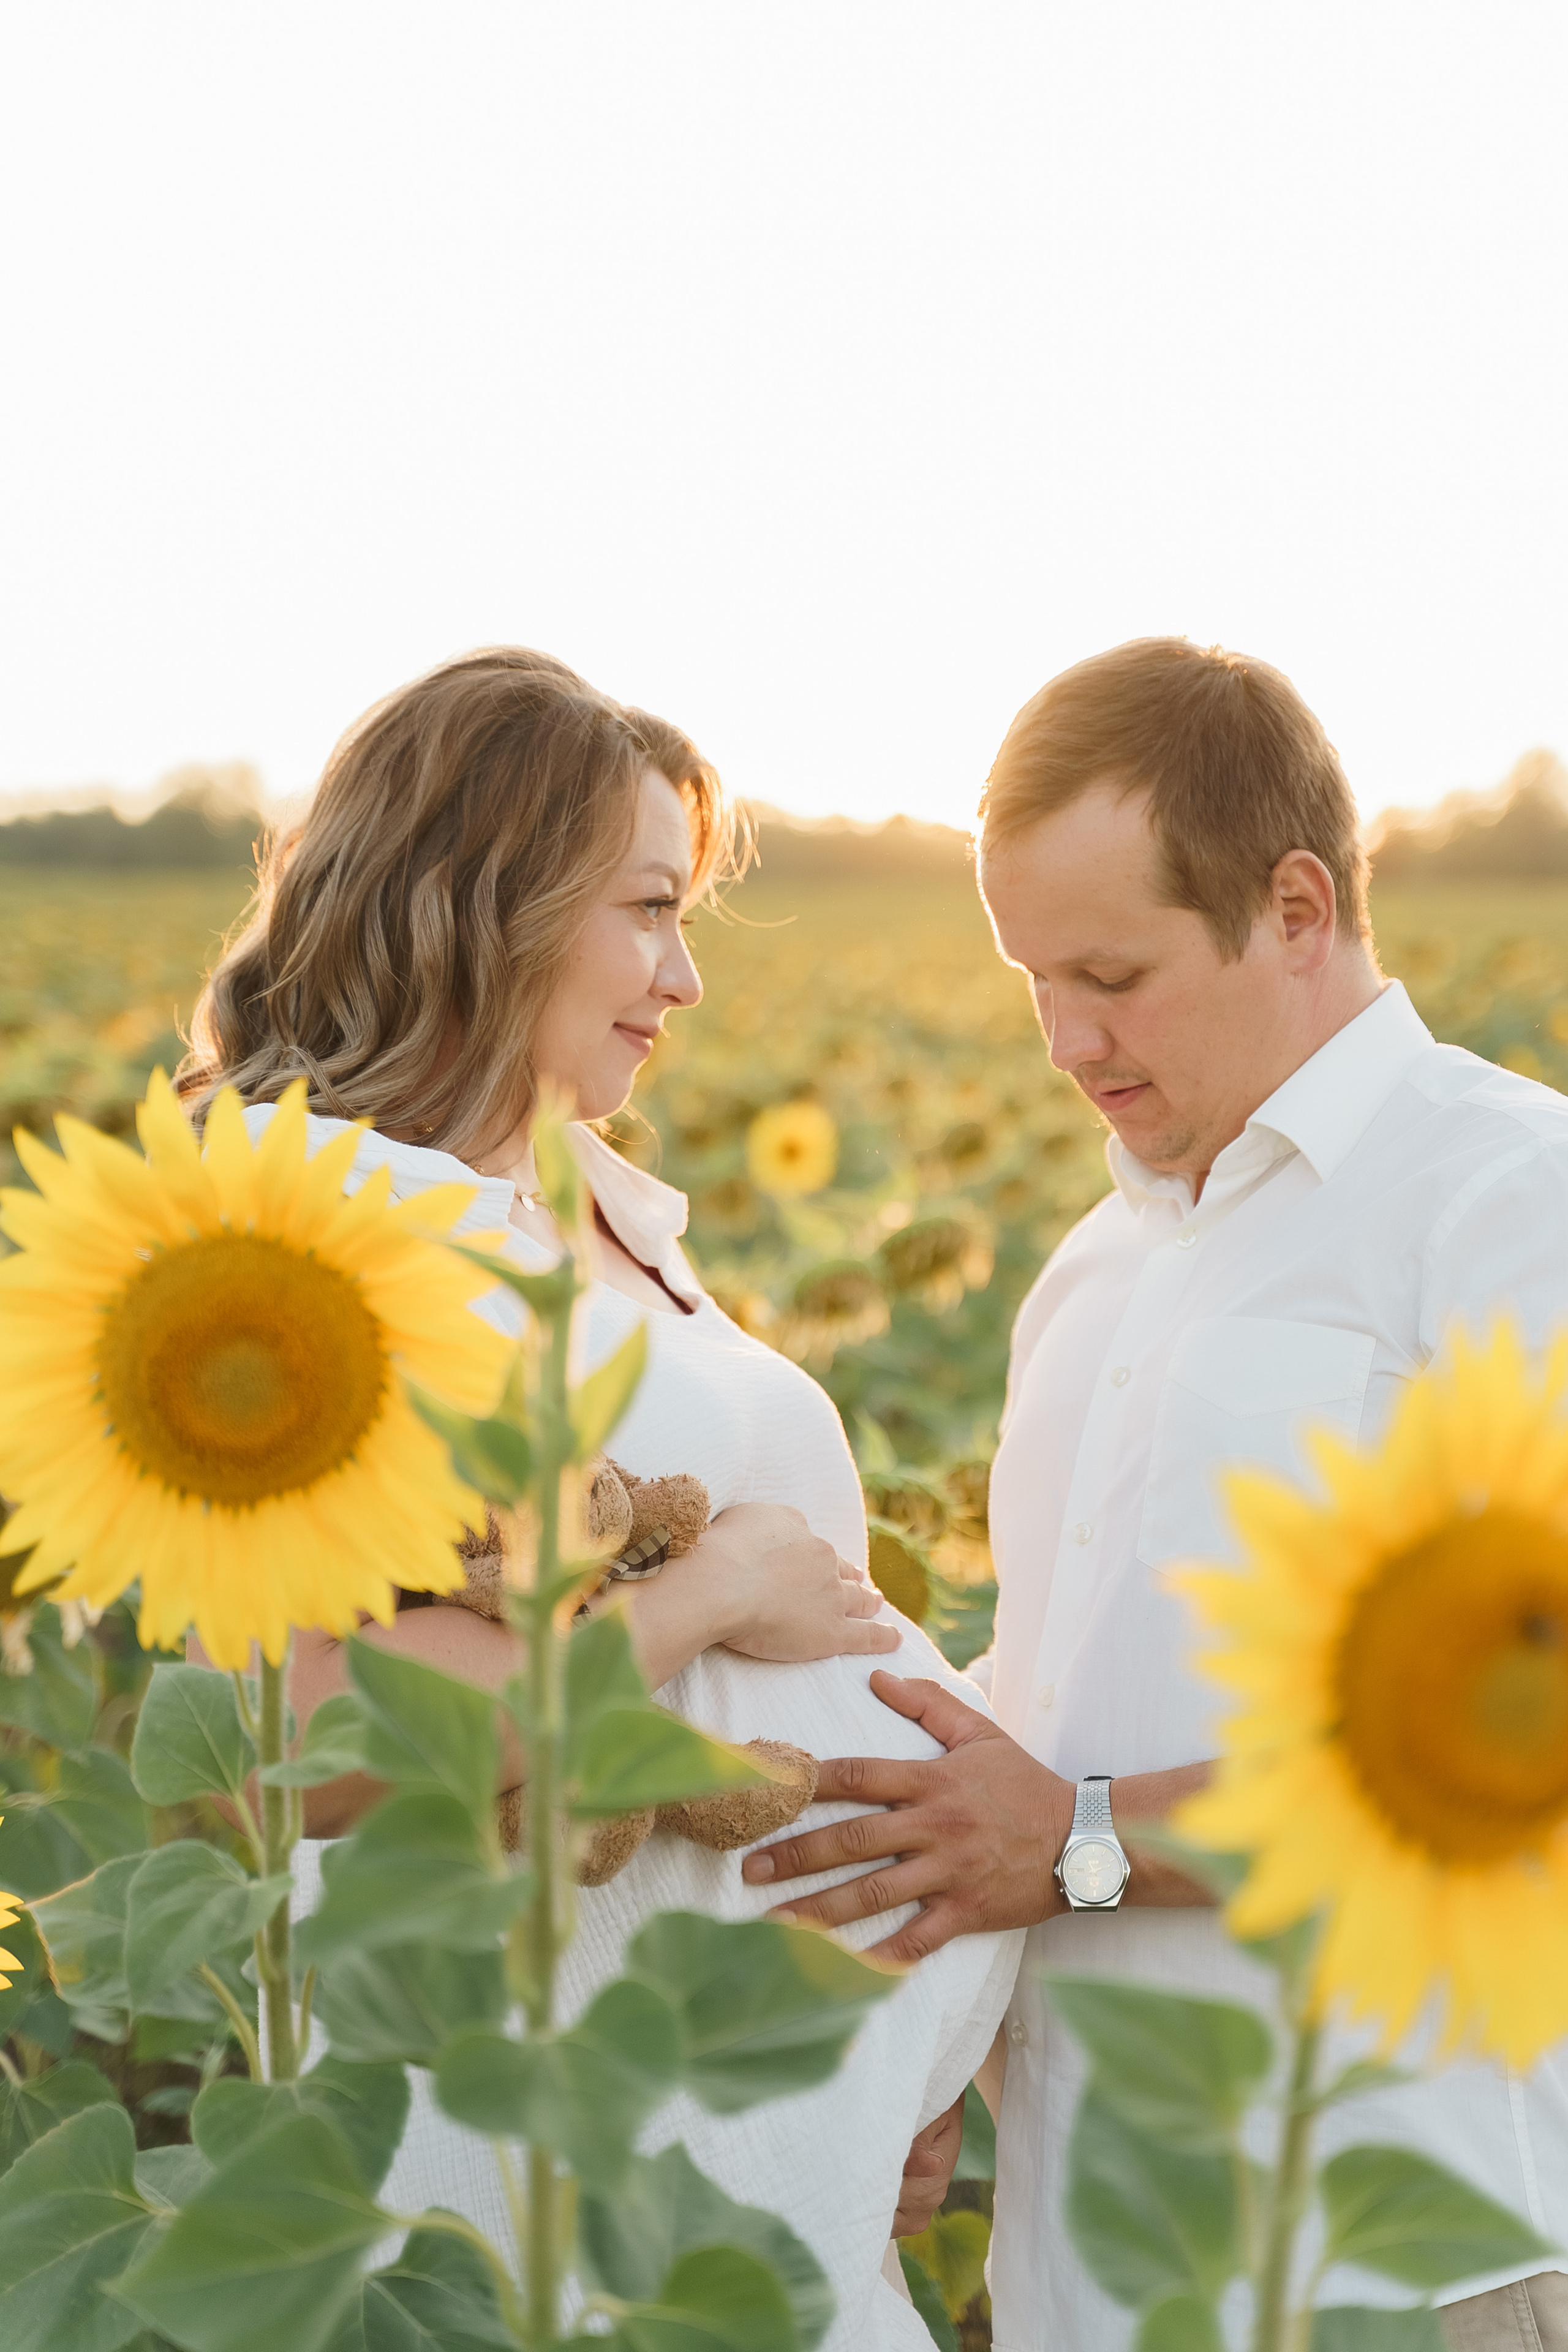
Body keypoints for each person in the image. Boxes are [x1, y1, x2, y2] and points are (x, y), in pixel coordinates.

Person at [179, 646, 1022, 2351]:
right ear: (485, 903)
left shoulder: (599, 1214)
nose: (685, 978)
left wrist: (894, 2068)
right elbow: (309, 1739)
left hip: (762, 2158)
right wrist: (710, 1598)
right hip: (554, 2172)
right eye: (648, 910)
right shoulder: (316, 1241)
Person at [744, 637, 1568, 2351]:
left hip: (1400, 2268)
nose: (1066, 1040)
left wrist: (1084, 1845)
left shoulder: (1507, 1202)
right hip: (1088, 2276)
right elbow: (1055, 1710)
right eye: (1033, 979)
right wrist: (930, 2049)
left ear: (1295, 909)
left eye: (1111, 973)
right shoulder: (1095, 1271)